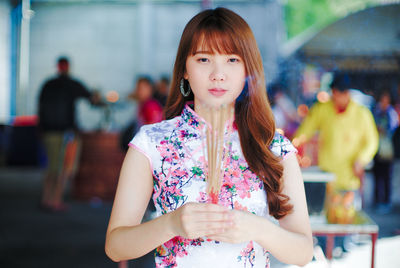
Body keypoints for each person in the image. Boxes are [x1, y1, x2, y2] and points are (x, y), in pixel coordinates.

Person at [106, 7, 313, 267]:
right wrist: (171, 223)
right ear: (184, 69)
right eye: (204, 59)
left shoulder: (274, 148)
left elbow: (304, 252)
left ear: (248, 70)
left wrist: (258, 228)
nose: (218, 73)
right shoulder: (151, 143)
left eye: (232, 60)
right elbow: (115, 247)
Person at [38, 56, 100, 212]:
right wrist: (98, 98)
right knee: (63, 167)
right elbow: (91, 99)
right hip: (66, 132)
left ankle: (47, 199)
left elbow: (40, 109)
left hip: (50, 131)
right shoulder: (71, 84)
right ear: (67, 67)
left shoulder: (48, 85)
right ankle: (56, 200)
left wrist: (40, 129)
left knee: (52, 167)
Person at [372, 90, 399, 214]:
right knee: (377, 177)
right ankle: (377, 201)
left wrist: (383, 130)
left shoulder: (391, 113)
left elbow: (393, 130)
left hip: (388, 151)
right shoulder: (376, 112)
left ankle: (386, 201)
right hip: (377, 150)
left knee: (387, 177)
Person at [120, 76, 163, 152]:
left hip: (147, 148)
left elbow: (153, 129)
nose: (139, 91)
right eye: (138, 88)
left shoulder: (150, 106)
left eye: (142, 88)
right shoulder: (143, 104)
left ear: (150, 88)